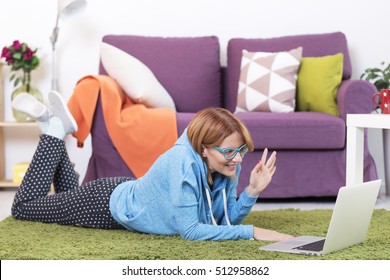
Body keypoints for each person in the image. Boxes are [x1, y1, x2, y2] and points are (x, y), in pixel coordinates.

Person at [10, 91, 293, 241]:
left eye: (242, 150)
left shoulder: (229, 163)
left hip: (123, 192)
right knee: (23, 209)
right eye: (230, 151)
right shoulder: (183, 164)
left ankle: (54, 127)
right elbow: (191, 231)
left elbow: (223, 220)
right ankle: (53, 132)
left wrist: (251, 192)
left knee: (60, 200)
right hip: (104, 206)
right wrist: (252, 232)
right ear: (204, 148)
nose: (239, 158)